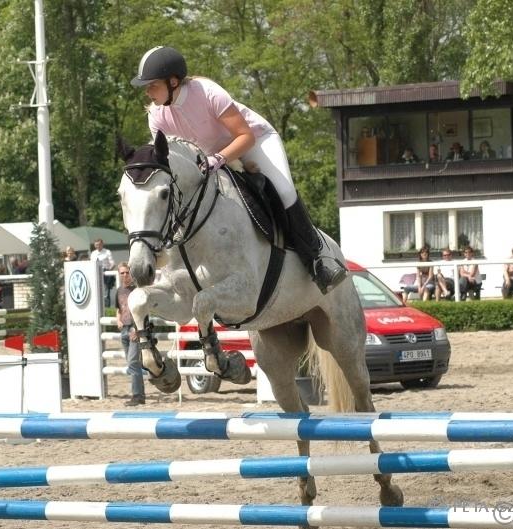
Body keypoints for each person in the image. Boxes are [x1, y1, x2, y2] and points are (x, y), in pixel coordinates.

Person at [131, 45, 345, 294]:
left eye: (152, 85)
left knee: (284, 191)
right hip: (210, 158)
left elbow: (245, 136)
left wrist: (218, 158)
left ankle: (318, 260)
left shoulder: (207, 92)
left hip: (253, 141)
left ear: (173, 82)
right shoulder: (156, 115)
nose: (147, 91)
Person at [115, 262, 145, 406]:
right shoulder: (119, 291)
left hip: (134, 330)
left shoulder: (137, 290)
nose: (125, 275)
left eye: (127, 272)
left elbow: (143, 312)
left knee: (133, 363)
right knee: (133, 364)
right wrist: (118, 320)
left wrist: (137, 330)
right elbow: (118, 309)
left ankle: (137, 396)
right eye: (122, 273)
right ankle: (140, 395)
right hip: (124, 330)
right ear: (119, 274)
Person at [90, 239, 116, 306]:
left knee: (105, 294)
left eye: (99, 244)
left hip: (105, 275)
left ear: (102, 244)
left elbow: (113, 264)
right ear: (94, 245)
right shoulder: (93, 253)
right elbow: (91, 264)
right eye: (96, 245)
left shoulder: (107, 252)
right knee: (96, 294)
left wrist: (108, 271)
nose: (98, 246)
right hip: (95, 275)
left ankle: (107, 309)